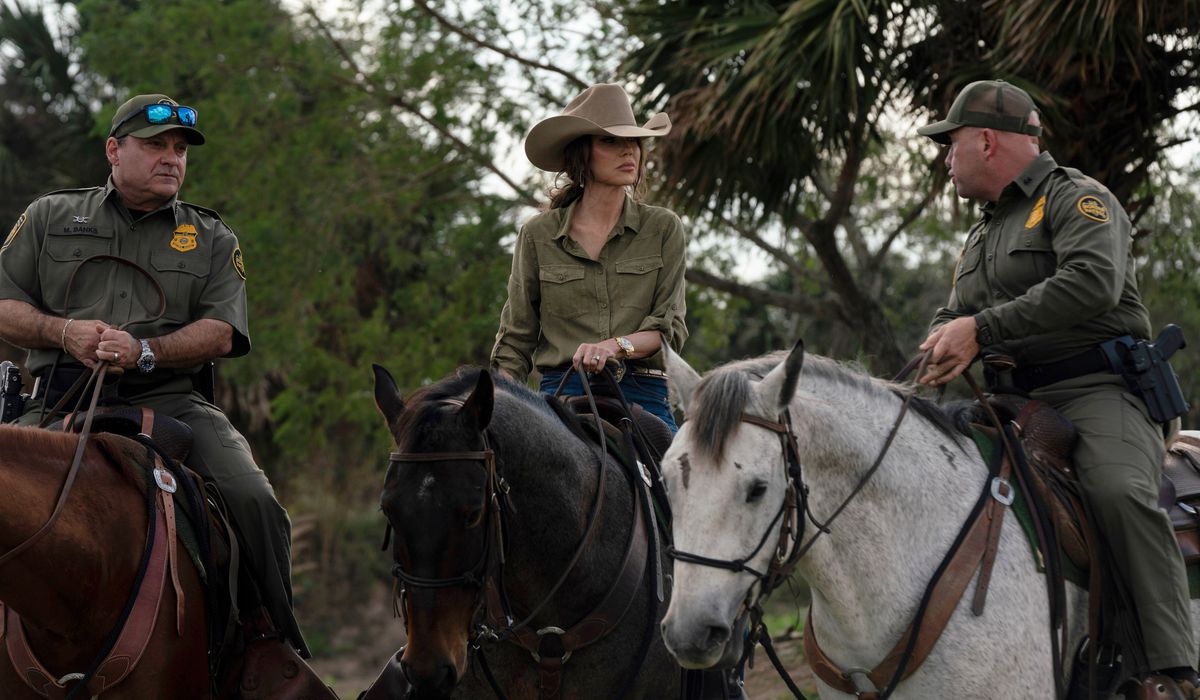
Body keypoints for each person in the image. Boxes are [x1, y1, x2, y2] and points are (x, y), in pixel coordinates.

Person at [0, 93, 308, 658]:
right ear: (114, 151)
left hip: (170, 399)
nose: (171, 158)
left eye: (180, 149)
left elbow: (222, 331)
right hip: (58, 400)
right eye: (155, 145)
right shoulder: (50, 215)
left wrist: (145, 350)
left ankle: (275, 651)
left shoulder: (212, 236)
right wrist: (63, 332)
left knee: (254, 501)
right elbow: (3, 305)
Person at [915, 79, 1197, 690]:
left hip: (1097, 390)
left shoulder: (1078, 198)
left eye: (950, 143)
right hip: (1010, 400)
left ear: (985, 141)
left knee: (1118, 492)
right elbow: (955, 311)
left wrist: (980, 330)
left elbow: (1092, 282)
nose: (946, 158)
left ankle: (1171, 671)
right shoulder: (983, 232)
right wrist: (940, 343)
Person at [490, 83, 688, 432]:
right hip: (561, 393)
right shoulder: (537, 235)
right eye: (610, 141)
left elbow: (668, 330)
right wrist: (497, 408)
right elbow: (516, 340)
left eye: (634, 142)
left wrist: (614, 346)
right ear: (581, 154)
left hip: (643, 393)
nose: (628, 150)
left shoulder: (662, 228)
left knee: (677, 467)